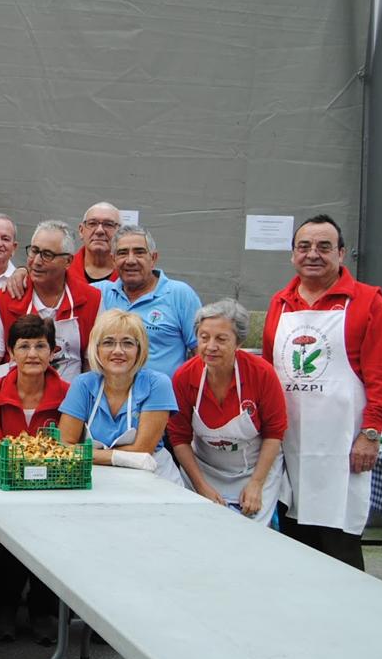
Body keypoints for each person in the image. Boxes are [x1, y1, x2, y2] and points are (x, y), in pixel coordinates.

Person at [262, 214, 382, 569]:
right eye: (304, 247)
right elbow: (271, 376)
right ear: (293, 255)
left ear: (342, 253)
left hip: (343, 449)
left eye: (324, 247)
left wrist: (370, 434)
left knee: (340, 546)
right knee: (294, 546)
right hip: (289, 447)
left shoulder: (368, 302)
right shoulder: (280, 302)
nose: (313, 254)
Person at [0, 314, 69, 644]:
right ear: (10, 352)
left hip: (53, 487)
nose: (33, 354)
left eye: (41, 346)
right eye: (24, 346)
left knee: (51, 536)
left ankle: (41, 608)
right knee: (7, 535)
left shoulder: (68, 395)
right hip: (5, 485)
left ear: (53, 351)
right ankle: (5, 605)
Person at [170, 299, 286, 526]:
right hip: (203, 471)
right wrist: (201, 487)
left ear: (238, 342)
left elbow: (274, 434)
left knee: (252, 534)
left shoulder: (261, 374)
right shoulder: (184, 377)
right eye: (204, 338)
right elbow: (179, 438)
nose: (210, 346)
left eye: (221, 339)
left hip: (255, 470)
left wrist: (256, 484)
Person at [58, 310, 182, 484]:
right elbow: (64, 446)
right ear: (97, 349)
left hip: (155, 480)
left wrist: (86, 454)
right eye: (108, 343)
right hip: (98, 481)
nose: (118, 351)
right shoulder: (83, 384)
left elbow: (142, 450)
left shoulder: (157, 384)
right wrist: (120, 456)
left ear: (139, 350)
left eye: (127, 343)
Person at [0, 220, 101, 384]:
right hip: (17, 402)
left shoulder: (91, 300)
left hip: (70, 403)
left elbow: (91, 364)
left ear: (68, 261)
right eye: (34, 251)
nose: (36, 261)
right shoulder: (4, 300)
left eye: (47, 255)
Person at [97, 225, 200, 378]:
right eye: (122, 253)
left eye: (139, 252)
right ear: (113, 260)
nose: (130, 260)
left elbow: (201, 353)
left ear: (153, 258)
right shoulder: (99, 293)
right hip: (108, 397)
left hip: (163, 398)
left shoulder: (180, 295)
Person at [69, 202, 122, 287]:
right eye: (92, 223)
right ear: (81, 231)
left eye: (108, 224)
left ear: (120, 232)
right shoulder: (63, 270)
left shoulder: (128, 274)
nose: (99, 231)